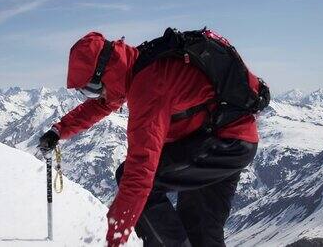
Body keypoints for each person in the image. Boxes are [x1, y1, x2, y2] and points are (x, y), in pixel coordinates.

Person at [38, 29, 264, 247]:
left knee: (134, 181)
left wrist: (115, 234)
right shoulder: (136, 65)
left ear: (104, 73)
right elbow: (101, 105)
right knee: (201, 232)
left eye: (91, 89)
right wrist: (59, 130)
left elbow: (140, 173)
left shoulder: (148, 86)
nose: (95, 95)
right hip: (228, 139)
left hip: (224, 142)